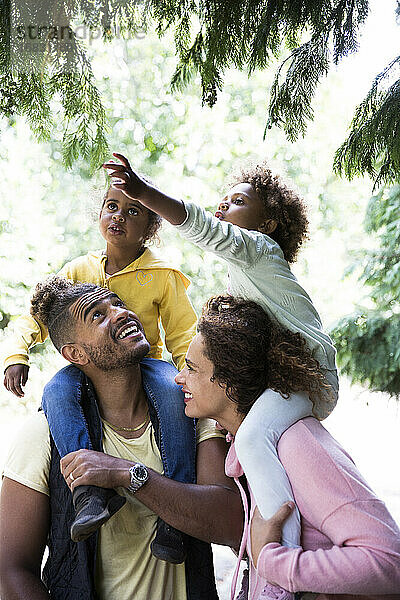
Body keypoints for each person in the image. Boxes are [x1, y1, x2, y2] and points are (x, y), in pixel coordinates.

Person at [101, 153, 338, 577]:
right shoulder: (249, 273)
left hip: (310, 374)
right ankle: (275, 541)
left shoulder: (261, 250)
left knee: (250, 441)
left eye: (238, 201)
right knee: (251, 447)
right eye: (223, 200)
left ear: (267, 225)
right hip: (291, 375)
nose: (224, 206)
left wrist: (145, 194)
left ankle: (280, 559)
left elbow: (203, 227)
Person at [0, 278, 243, 600]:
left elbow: (233, 524)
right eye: (98, 315)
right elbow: (10, 571)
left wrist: (130, 476)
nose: (120, 313)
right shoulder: (42, 435)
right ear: (75, 353)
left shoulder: (194, 415)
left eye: (119, 304)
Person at [3, 184, 198, 560]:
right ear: (99, 214)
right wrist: (16, 353)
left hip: (146, 364)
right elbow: (40, 315)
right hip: (87, 365)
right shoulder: (79, 270)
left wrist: (194, 379)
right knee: (56, 393)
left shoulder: (162, 274)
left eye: (133, 211)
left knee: (173, 397)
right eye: (112, 206)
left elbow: (182, 334)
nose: (118, 216)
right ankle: (89, 493)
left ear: (151, 227)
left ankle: (175, 510)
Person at [175, 295, 400, 600]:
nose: (179, 378)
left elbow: (388, 559)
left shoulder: (298, 444)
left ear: (230, 379)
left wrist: (274, 562)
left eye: (192, 368)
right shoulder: (248, 449)